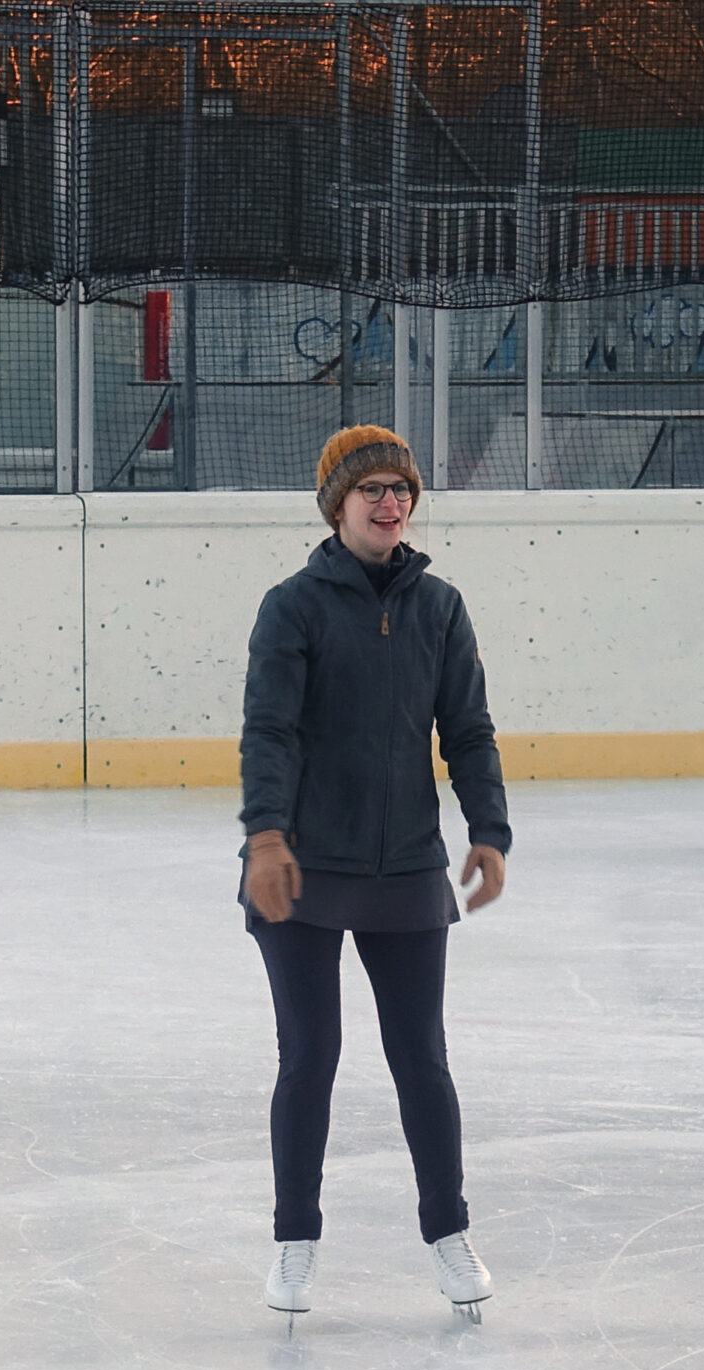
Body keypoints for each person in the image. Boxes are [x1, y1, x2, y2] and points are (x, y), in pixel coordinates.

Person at [240, 424, 510, 1324]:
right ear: (338, 504)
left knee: (421, 1061)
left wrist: (489, 830)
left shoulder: (441, 608)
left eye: (401, 489)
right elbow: (269, 730)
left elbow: (466, 730)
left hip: (404, 867)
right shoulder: (293, 608)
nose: (391, 502)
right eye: (374, 490)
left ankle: (448, 1232)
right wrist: (267, 838)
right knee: (309, 1057)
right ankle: (294, 1243)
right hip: (303, 870)